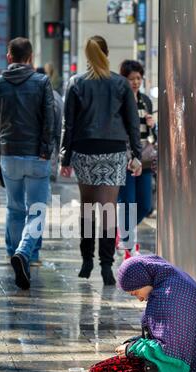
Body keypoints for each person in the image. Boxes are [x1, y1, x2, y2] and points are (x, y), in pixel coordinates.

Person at [60, 36, 142, 286]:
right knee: (108, 209)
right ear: (106, 53)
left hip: (85, 148)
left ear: (88, 55)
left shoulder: (76, 83)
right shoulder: (120, 84)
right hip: (113, 149)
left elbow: (69, 124)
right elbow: (132, 123)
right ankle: (107, 266)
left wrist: (65, 156)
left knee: (87, 207)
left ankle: (87, 261)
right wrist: (136, 154)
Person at [88, 255, 196, 372]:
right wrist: (134, 344)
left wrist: (132, 348)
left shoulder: (167, 296)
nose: (140, 299)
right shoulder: (173, 282)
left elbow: (168, 350)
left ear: (142, 280)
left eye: (135, 293)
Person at [0, 37, 54, 290]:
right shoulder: (42, 82)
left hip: (9, 153)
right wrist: (46, 150)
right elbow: (48, 119)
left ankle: (15, 253)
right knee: (36, 210)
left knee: (14, 208)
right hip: (37, 155)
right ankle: (26, 252)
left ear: (9, 57)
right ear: (30, 57)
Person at [118, 60, 157, 258]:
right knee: (128, 203)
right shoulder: (119, 100)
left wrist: (152, 125)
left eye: (138, 78)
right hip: (125, 159)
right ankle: (128, 246)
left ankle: (123, 233)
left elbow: (153, 137)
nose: (135, 82)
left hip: (145, 158)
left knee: (145, 204)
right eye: (131, 78)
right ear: (124, 79)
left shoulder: (146, 101)